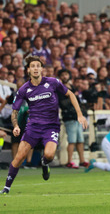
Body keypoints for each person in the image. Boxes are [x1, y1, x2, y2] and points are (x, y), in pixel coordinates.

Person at [0, 56, 88, 195]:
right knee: (19, 157)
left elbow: (70, 94)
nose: (35, 68)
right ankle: (6, 188)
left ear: (42, 69)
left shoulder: (52, 82)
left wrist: (80, 114)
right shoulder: (23, 89)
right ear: (28, 70)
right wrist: (16, 125)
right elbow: (14, 111)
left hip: (51, 127)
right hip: (33, 127)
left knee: (49, 154)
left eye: (38, 66)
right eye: (32, 66)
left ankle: (44, 162)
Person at [57, 69, 88, 169]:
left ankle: (82, 160)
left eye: (66, 74)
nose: (65, 76)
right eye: (63, 75)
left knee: (80, 140)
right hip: (69, 116)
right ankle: (69, 161)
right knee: (72, 140)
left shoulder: (72, 87)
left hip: (76, 116)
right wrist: (73, 98)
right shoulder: (60, 88)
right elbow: (63, 103)